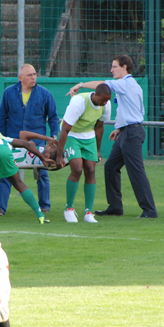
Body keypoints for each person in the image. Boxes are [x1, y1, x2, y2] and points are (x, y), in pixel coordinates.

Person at [67, 55, 158, 218]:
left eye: (114, 66)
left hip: (132, 134)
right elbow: (134, 110)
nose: (111, 70)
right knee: (110, 167)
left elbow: (102, 85)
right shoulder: (130, 85)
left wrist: (80, 85)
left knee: (136, 171)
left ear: (124, 68)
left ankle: (149, 210)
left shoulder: (126, 83)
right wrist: (120, 128)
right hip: (126, 132)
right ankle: (115, 207)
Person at [0, 64, 59, 217]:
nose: (33, 77)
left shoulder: (45, 94)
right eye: (30, 75)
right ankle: (0, 209)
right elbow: (2, 118)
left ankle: (44, 206)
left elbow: (53, 117)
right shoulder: (8, 93)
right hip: (13, 142)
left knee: (43, 172)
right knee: (6, 173)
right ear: (21, 78)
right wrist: (2, 139)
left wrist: (54, 136)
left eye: (35, 74)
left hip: (37, 144)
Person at [56, 83, 112, 223]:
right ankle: (69, 209)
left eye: (107, 100)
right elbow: (65, 129)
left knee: (91, 170)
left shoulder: (106, 105)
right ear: (96, 95)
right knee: (77, 168)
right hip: (72, 136)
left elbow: (99, 127)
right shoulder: (79, 102)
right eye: (103, 100)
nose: (105, 103)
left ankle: (88, 212)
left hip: (88, 136)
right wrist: (59, 154)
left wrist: (98, 150)